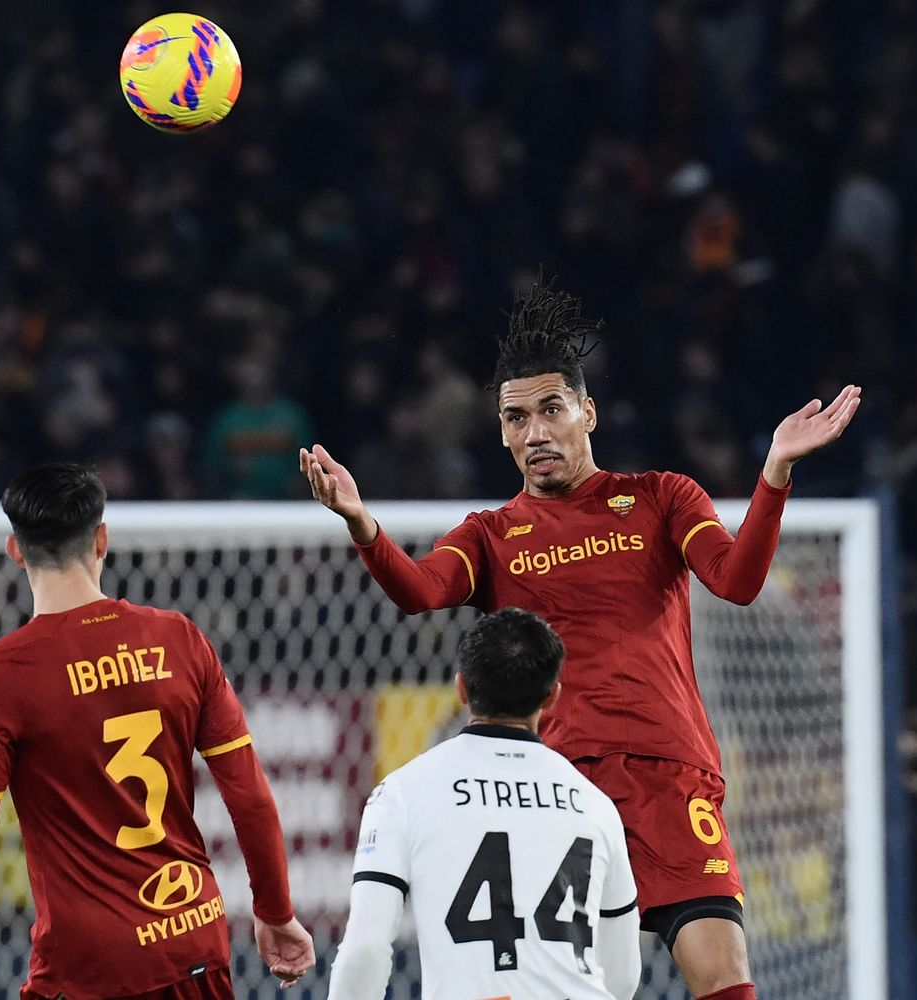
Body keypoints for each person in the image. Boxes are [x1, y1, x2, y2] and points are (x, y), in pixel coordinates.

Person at [301, 279, 861, 1000]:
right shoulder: (491, 534)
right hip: (556, 790)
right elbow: (421, 591)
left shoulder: (662, 497)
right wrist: (360, 523)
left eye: (551, 410)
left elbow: (737, 580)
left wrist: (775, 473)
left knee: (724, 978)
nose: (535, 432)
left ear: (586, 412)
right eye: (515, 418)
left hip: (669, 772)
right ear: (500, 432)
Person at [0, 463, 315, 999]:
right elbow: (251, 799)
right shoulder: (179, 639)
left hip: (88, 966)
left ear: (14, 550)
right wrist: (274, 911)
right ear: (102, 539)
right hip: (191, 936)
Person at [326, 607, 642, 1000]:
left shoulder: (402, 792)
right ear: (552, 696)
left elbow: (366, 950)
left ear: (461, 688)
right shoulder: (596, 806)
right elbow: (623, 975)